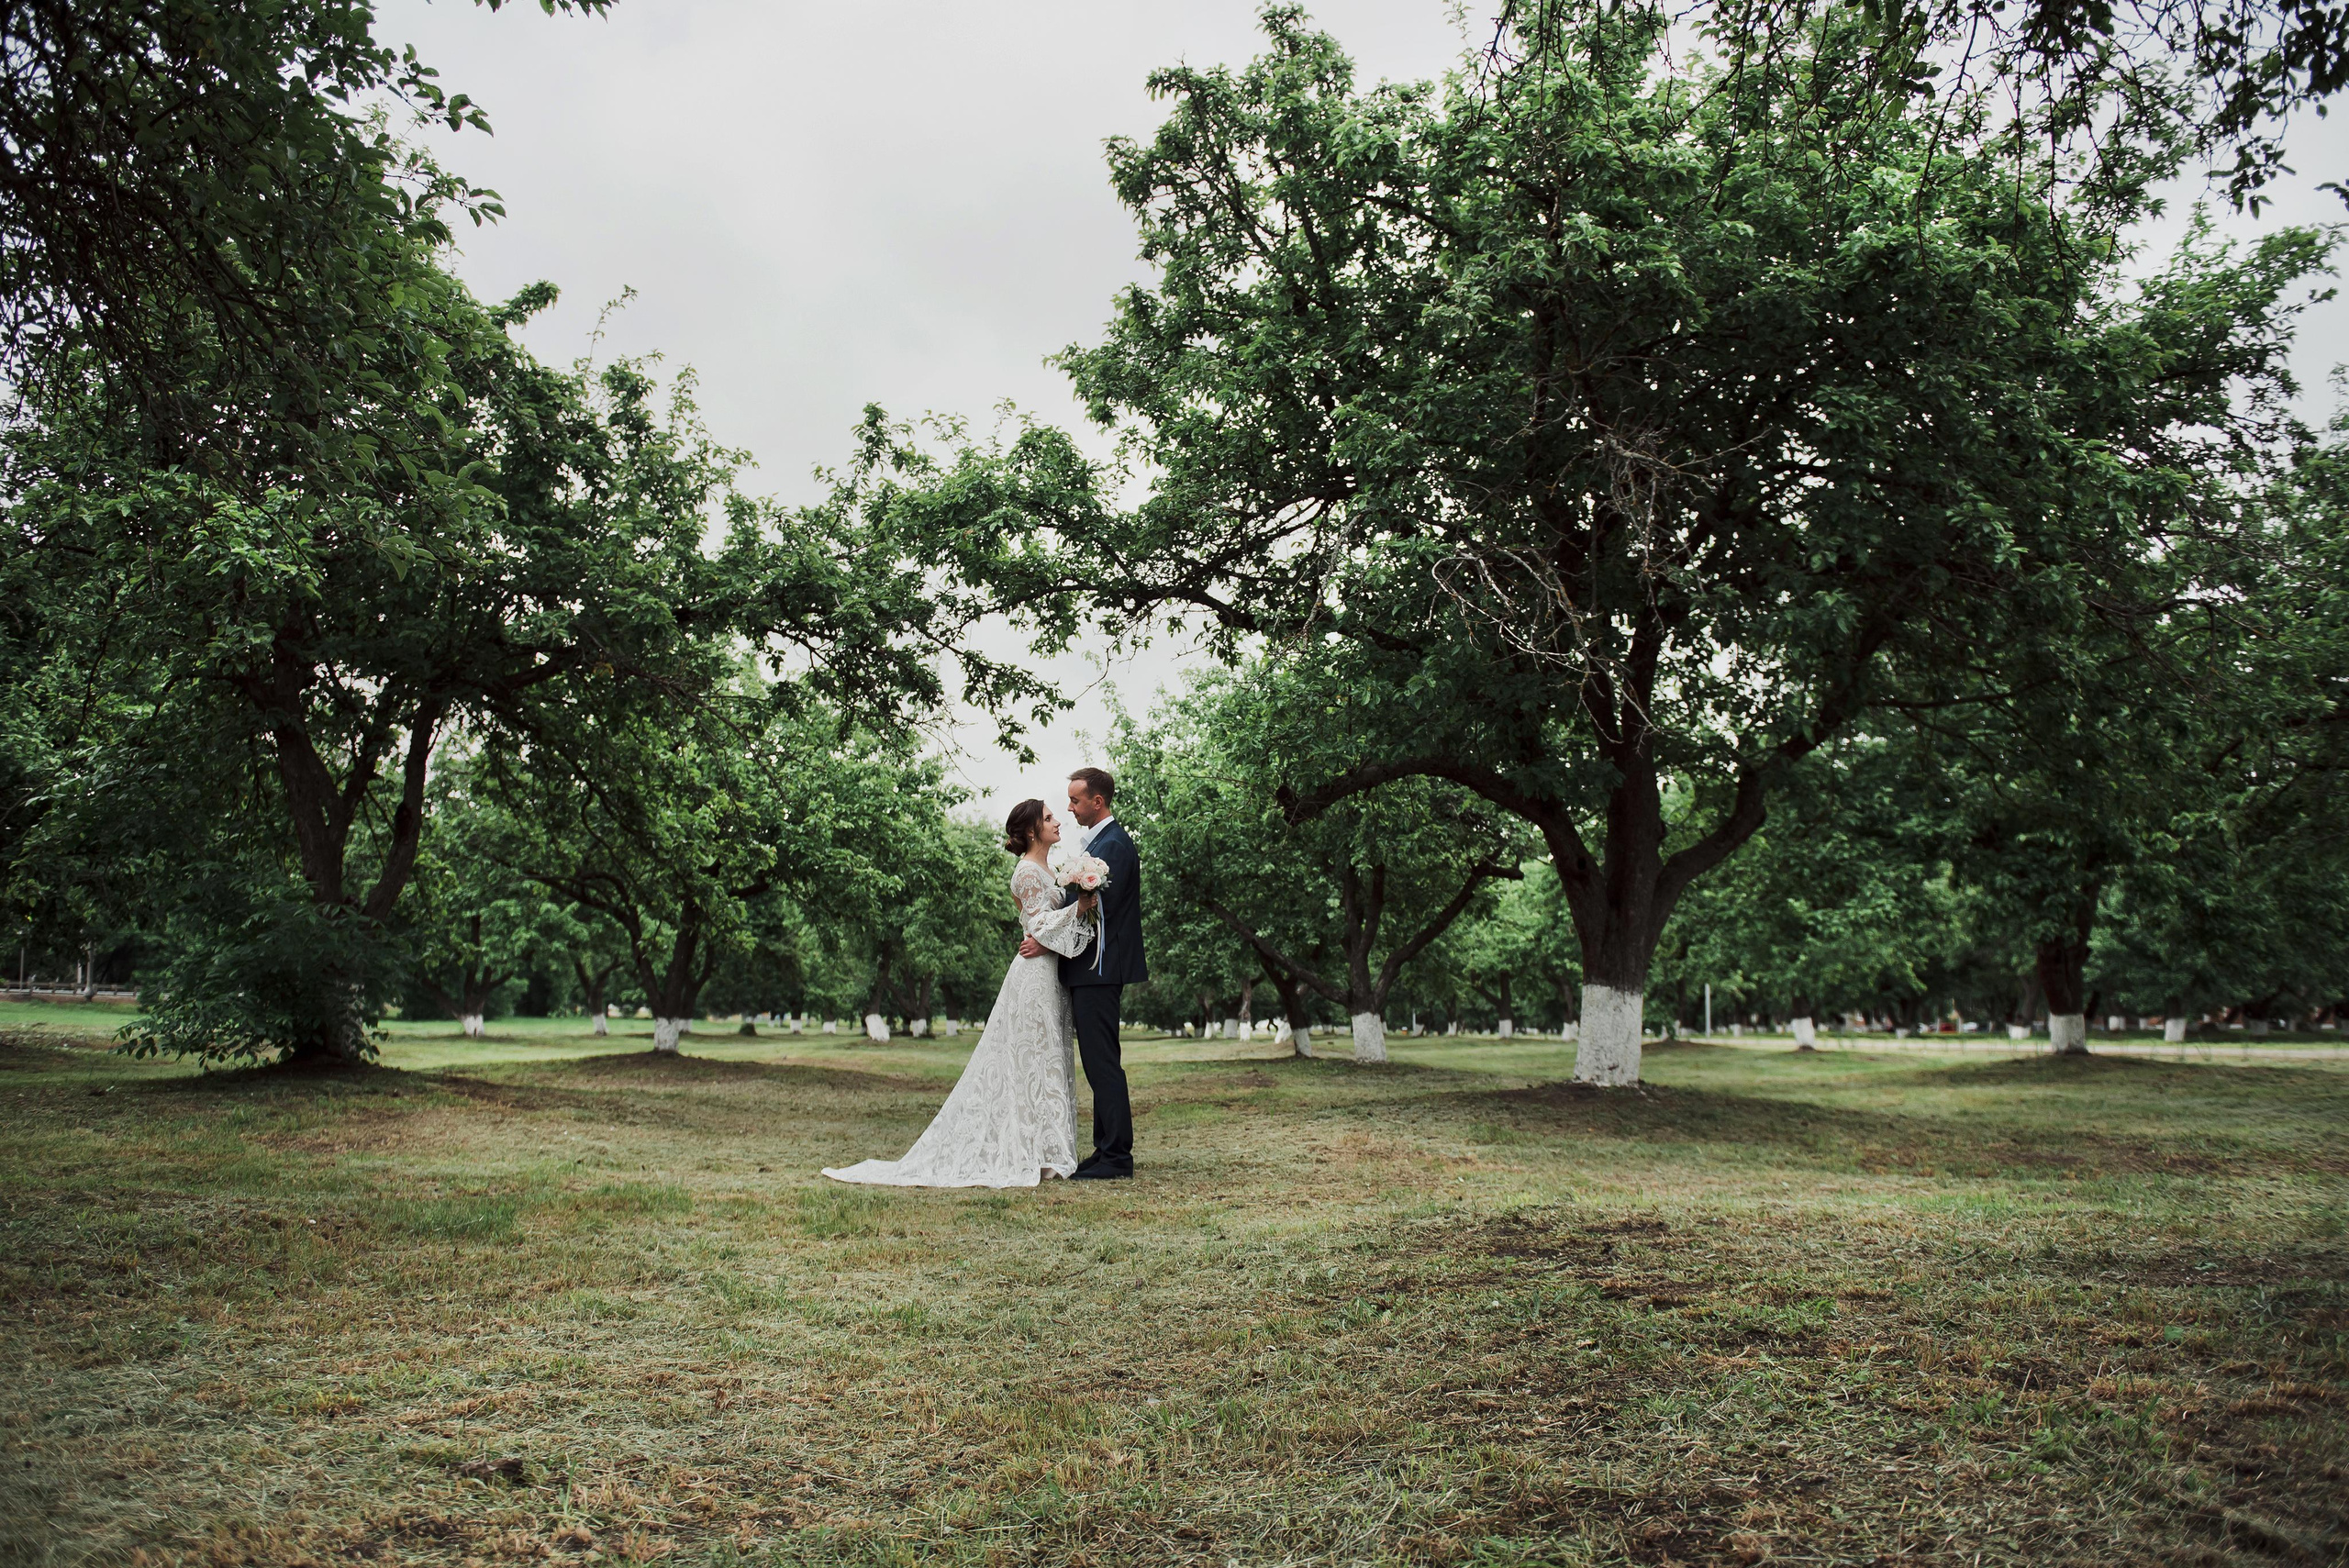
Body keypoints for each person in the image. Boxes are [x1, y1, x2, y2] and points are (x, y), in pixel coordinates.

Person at [819, 798, 1095, 1187]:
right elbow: (1038, 925)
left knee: (1047, 1056)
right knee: (1034, 1058)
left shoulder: (1050, 869)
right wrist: (1078, 910)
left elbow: (1043, 931)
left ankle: (1047, 1150)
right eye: (1049, 818)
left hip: (1049, 970)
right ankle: (1035, 1153)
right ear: (1032, 830)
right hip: (1033, 975)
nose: (1057, 821)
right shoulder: (1027, 873)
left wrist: (1071, 913)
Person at [1019, 767, 1147, 1179]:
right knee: (1096, 1062)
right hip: (1090, 970)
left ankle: (1117, 1158)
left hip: (1100, 969)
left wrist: (1045, 940)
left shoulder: (1115, 846)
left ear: (1098, 801)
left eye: (1075, 801)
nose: (1070, 808)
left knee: (1103, 1063)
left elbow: (1096, 915)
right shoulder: (1100, 844)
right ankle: (1104, 1148)